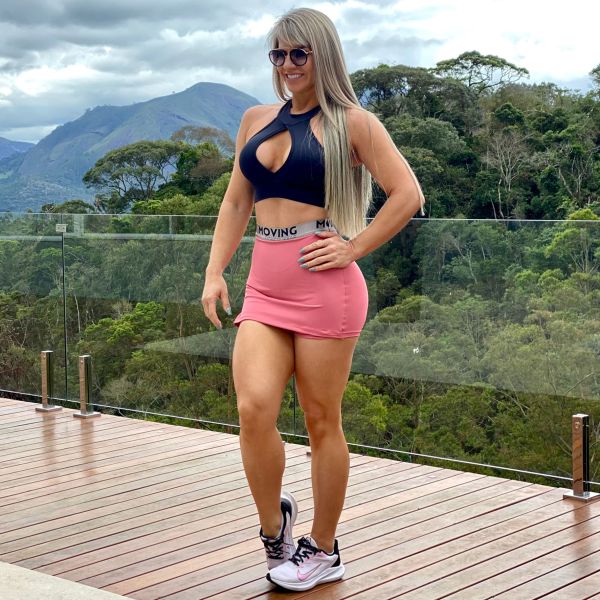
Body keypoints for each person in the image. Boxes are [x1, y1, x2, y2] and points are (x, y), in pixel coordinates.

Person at [201, 6, 424, 592]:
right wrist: (215, 271)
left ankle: (324, 550)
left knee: (323, 420)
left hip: (326, 288)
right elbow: (236, 202)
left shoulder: (355, 124)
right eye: (278, 54)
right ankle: (275, 526)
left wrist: (353, 247)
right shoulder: (255, 119)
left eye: (299, 53)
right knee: (253, 409)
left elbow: (407, 194)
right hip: (264, 287)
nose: (288, 64)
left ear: (323, 55)